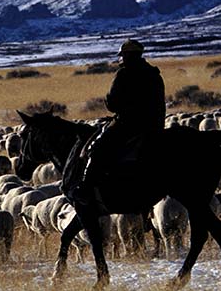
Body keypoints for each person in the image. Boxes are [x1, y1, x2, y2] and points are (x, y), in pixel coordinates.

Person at [69, 39, 166, 205]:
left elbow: (113, 103)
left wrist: (109, 102)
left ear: (128, 55)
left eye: (123, 55)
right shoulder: (153, 73)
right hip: (155, 124)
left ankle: (86, 187)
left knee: (97, 147)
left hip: (130, 124)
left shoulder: (125, 73)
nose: (122, 58)